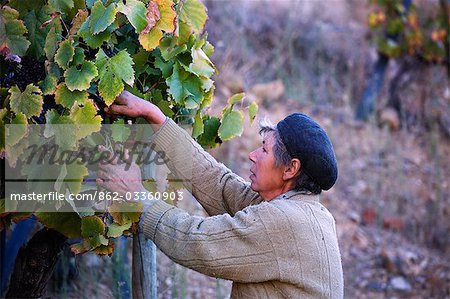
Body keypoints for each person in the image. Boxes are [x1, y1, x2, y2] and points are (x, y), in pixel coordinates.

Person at [96, 91, 344, 298]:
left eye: (264, 150)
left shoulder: (284, 222)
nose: (252, 155)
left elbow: (196, 242)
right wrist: (157, 119)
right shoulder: (299, 209)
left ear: (290, 169)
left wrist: (137, 196)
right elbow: (219, 185)